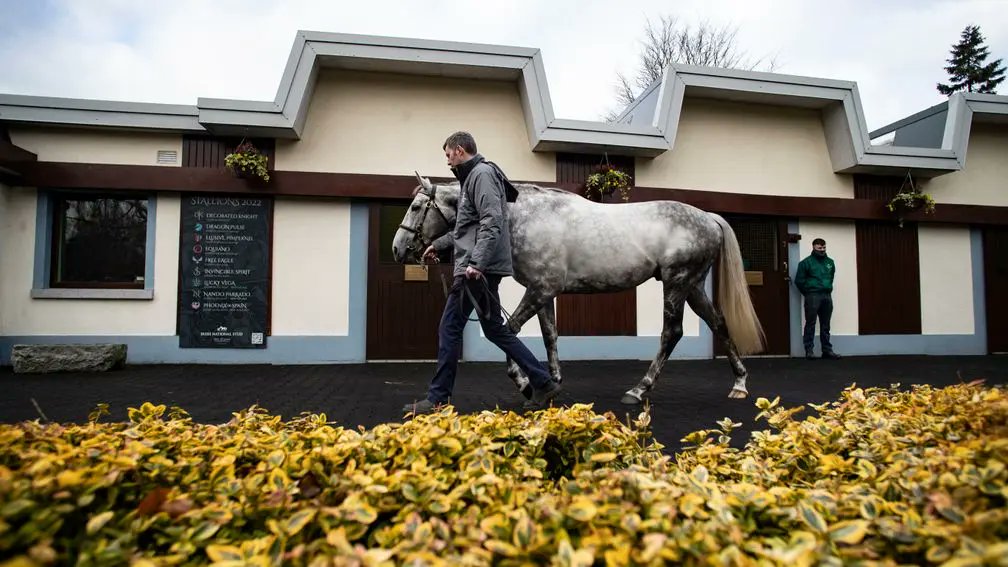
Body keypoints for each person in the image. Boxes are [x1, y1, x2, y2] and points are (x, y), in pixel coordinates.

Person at [402, 131, 562, 414]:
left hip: (477, 271)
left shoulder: (482, 175)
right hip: (479, 267)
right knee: (495, 330)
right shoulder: (472, 179)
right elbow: (467, 229)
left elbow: (492, 220)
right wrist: (438, 245)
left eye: (449, 155)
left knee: (449, 328)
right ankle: (543, 381)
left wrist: (476, 263)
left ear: (460, 150)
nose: (447, 161)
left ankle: (438, 398)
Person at [794, 238, 842, 360]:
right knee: (811, 323)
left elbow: (831, 277)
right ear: (813, 247)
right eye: (819, 248)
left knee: (826, 324)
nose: (822, 250)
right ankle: (809, 350)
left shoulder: (830, 262)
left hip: (827, 296)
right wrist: (809, 293)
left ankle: (827, 350)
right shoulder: (805, 263)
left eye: (824, 247)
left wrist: (827, 288)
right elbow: (799, 281)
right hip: (813, 296)